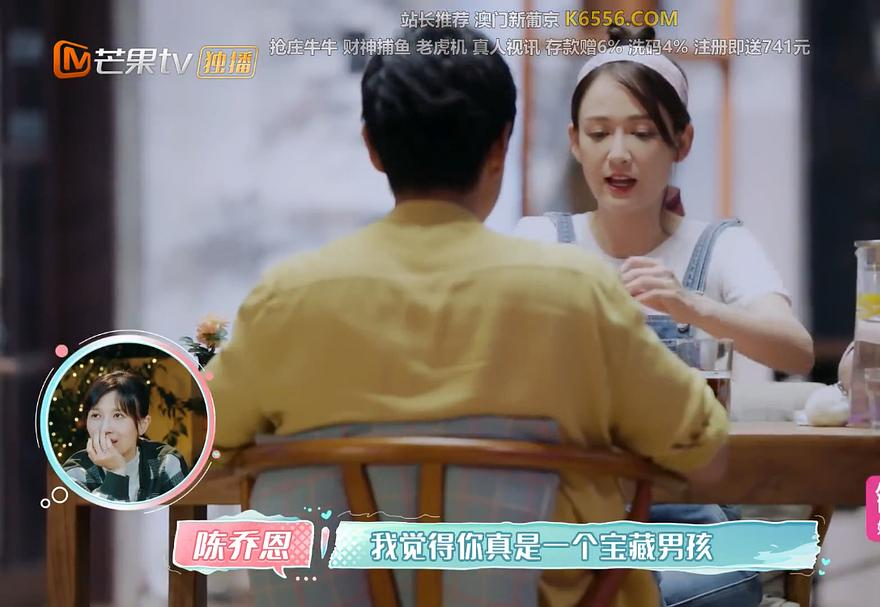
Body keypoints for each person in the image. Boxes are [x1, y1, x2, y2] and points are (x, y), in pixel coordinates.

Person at [208, 26, 730, 607]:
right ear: (500, 145)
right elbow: (704, 450)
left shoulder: (288, 298)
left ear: (372, 146)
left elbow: (198, 438)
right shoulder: (576, 295)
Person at [513, 26, 815, 607]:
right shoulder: (541, 242)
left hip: (692, 524)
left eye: (643, 132)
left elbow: (795, 350)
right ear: (574, 142)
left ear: (683, 141)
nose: (618, 153)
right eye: (599, 133)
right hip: (573, 520)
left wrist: (692, 305)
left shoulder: (719, 246)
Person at [62, 370, 189, 502]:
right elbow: (97, 516)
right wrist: (116, 472)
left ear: (142, 424)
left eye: (118, 415)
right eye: (96, 415)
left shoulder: (166, 463)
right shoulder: (76, 472)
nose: (105, 428)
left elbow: (183, 512)